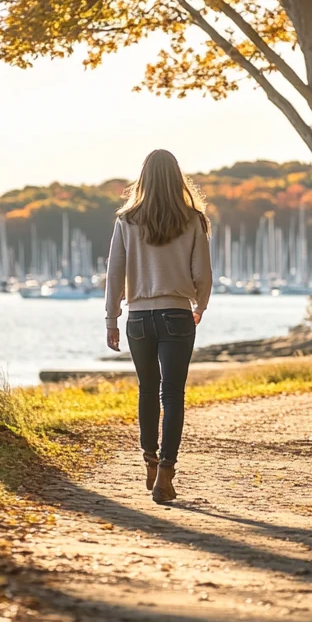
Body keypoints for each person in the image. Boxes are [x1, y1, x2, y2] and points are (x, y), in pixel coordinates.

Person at [104, 149, 213, 503]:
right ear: (178, 178)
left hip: (137, 318)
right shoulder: (193, 219)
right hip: (177, 314)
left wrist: (111, 319)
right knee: (173, 394)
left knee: (147, 391)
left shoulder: (126, 219)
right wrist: (199, 305)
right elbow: (203, 275)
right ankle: (166, 473)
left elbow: (114, 274)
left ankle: (149, 461)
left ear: (144, 178)